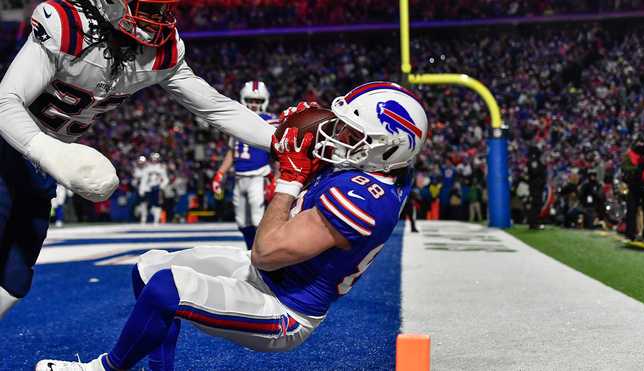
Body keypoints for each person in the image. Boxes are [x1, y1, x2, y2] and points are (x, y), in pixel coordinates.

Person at [35, 81, 428, 371]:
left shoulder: (364, 199)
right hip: (266, 276)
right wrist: (312, 129)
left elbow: (267, 253)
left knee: (166, 288)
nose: (338, 136)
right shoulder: (388, 166)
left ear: (387, 150)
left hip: (284, 308)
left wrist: (290, 179)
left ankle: (105, 369)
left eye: (352, 134)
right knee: (148, 267)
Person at [0, 0, 274, 319]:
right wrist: (52, 152)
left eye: (164, 9)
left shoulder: (161, 52)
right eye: (151, 8)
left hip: (43, 166)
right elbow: (5, 101)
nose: (159, 19)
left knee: (15, 278)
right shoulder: (67, 27)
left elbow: (216, 107)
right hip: (11, 149)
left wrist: (282, 140)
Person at [212, 81, 278, 248]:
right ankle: (250, 250)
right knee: (242, 221)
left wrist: (277, 178)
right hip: (239, 177)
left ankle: (262, 253)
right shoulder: (236, 119)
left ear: (265, 102)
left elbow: (279, 153)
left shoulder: (270, 121)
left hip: (259, 176)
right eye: (250, 100)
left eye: (258, 101)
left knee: (258, 218)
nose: (254, 104)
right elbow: (232, 151)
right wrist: (220, 174)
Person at [622, 137, 644, 242]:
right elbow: (625, 168)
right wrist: (638, 169)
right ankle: (630, 234)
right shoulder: (629, 155)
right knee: (632, 211)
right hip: (635, 185)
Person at [138, 153, 169, 225]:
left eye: (156, 159)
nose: (154, 160)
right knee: (144, 204)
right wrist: (142, 188)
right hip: (148, 187)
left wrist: (161, 186)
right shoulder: (147, 167)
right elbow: (144, 179)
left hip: (156, 187)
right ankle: (143, 219)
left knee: (156, 204)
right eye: (153, 158)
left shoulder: (161, 168)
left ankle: (156, 220)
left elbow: (166, 179)